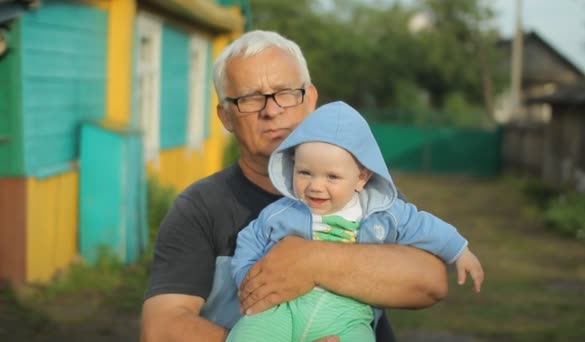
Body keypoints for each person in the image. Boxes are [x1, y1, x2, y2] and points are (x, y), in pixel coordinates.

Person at [140, 30, 449, 342]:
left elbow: (430, 281)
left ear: (311, 98)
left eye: (285, 92)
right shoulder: (199, 208)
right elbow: (161, 328)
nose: (272, 110)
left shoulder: (362, 190)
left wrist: (313, 261)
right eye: (249, 98)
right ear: (226, 116)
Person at [226, 101, 484, 342]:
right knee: (248, 333)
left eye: (332, 177)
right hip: (282, 310)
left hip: (347, 318)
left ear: (361, 177)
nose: (316, 186)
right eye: (305, 172)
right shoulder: (282, 212)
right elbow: (250, 239)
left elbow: (422, 225)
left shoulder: (382, 213)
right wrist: (247, 281)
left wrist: (458, 250)